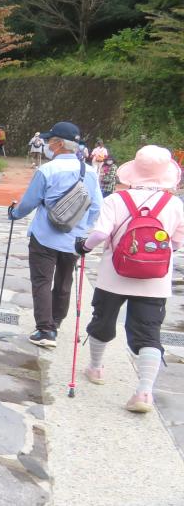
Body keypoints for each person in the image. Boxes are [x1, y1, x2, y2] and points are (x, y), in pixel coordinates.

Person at [75, 145, 184, 413]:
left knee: (103, 320)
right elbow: (177, 243)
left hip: (114, 275)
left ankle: (97, 369)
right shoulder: (174, 204)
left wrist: (84, 247)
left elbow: (100, 234)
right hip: (154, 281)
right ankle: (144, 393)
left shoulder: (116, 200)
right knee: (148, 333)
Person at [8, 121, 103, 348]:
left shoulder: (47, 170)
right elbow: (97, 206)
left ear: (59, 144)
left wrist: (13, 213)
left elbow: (28, 204)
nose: (48, 144)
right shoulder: (89, 171)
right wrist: (82, 228)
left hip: (45, 237)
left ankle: (45, 330)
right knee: (64, 281)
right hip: (75, 240)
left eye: (51, 141)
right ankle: (55, 323)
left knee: (41, 281)